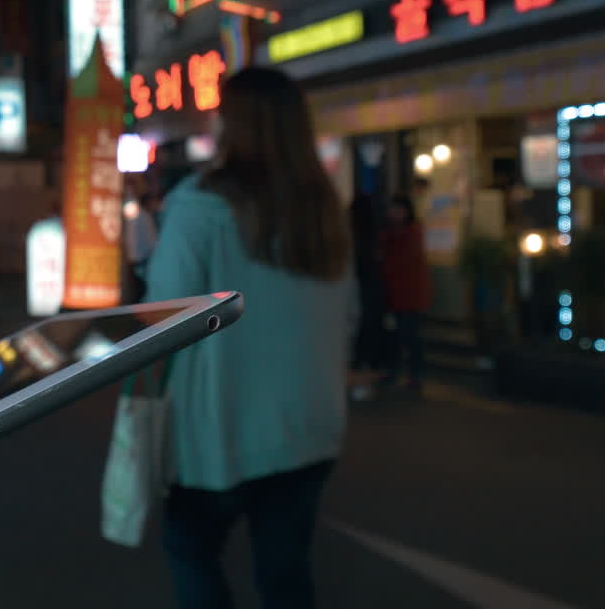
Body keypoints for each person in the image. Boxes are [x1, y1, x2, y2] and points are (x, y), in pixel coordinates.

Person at [144, 67, 354, 609]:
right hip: (309, 424)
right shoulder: (322, 210)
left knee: (191, 549)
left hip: (222, 428)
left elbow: (165, 314)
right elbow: (349, 314)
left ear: (232, 124)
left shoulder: (199, 204)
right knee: (285, 573)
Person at [379, 193, 432, 394]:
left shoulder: (410, 233)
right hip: (397, 294)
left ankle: (413, 376)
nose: (394, 213)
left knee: (410, 337)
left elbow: (402, 265)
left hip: (409, 295)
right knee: (398, 337)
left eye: (398, 209)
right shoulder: (392, 233)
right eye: (392, 209)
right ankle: (400, 373)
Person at [349, 192, 387, 400]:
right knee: (369, 338)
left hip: (360, 290)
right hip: (373, 291)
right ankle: (366, 382)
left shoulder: (351, 235)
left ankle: (359, 383)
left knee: (358, 339)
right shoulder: (375, 235)